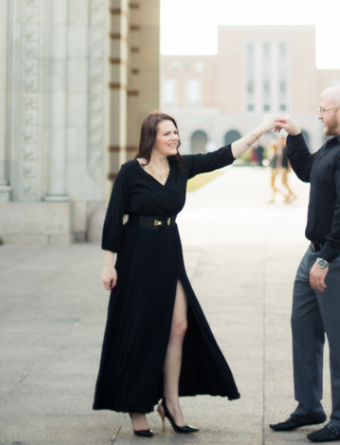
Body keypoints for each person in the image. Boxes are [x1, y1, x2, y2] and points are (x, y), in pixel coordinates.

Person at [93, 110, 277, 437]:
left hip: (168, 250)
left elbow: (223, 155)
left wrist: (260, 130)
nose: (174, 138)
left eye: (176, 133)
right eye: (168, 134)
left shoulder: (182, 166)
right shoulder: (130, 172)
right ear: (152, 138)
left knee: (179, 326)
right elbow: (114, 218)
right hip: (136, 255)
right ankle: (137, 407)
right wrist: (109, 264)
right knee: (141, 330)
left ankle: (172, 403)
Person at [269, 85, 340, 443]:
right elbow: (306, 172)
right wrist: (295, 135)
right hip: (317, 253)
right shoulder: (335, 146)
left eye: (323, 110)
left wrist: (326, 260)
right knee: (303, 327)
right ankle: (309, 407)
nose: (319, 115)